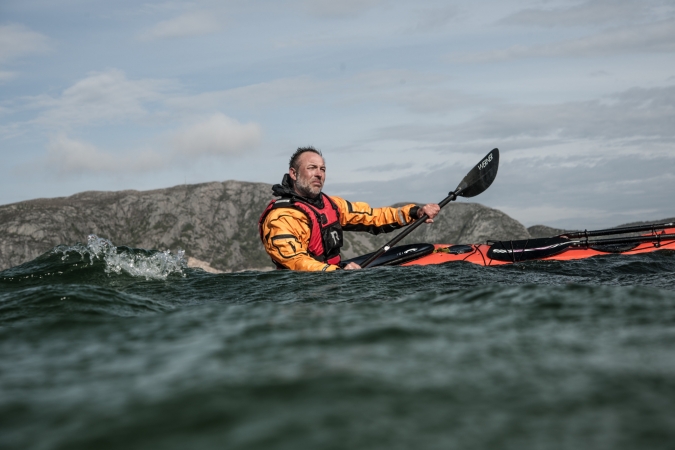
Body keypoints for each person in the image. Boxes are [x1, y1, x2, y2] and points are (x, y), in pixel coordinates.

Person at [259, 147, 440, 271]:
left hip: (333, 277)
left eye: (322, 169)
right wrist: (335, 273)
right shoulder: (281, 216)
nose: (319, 174)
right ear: (293, 173)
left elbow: (371, 217)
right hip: (302, 290)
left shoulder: (332, 205)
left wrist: (414, 212)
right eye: (312, 168)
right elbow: (296, 262)